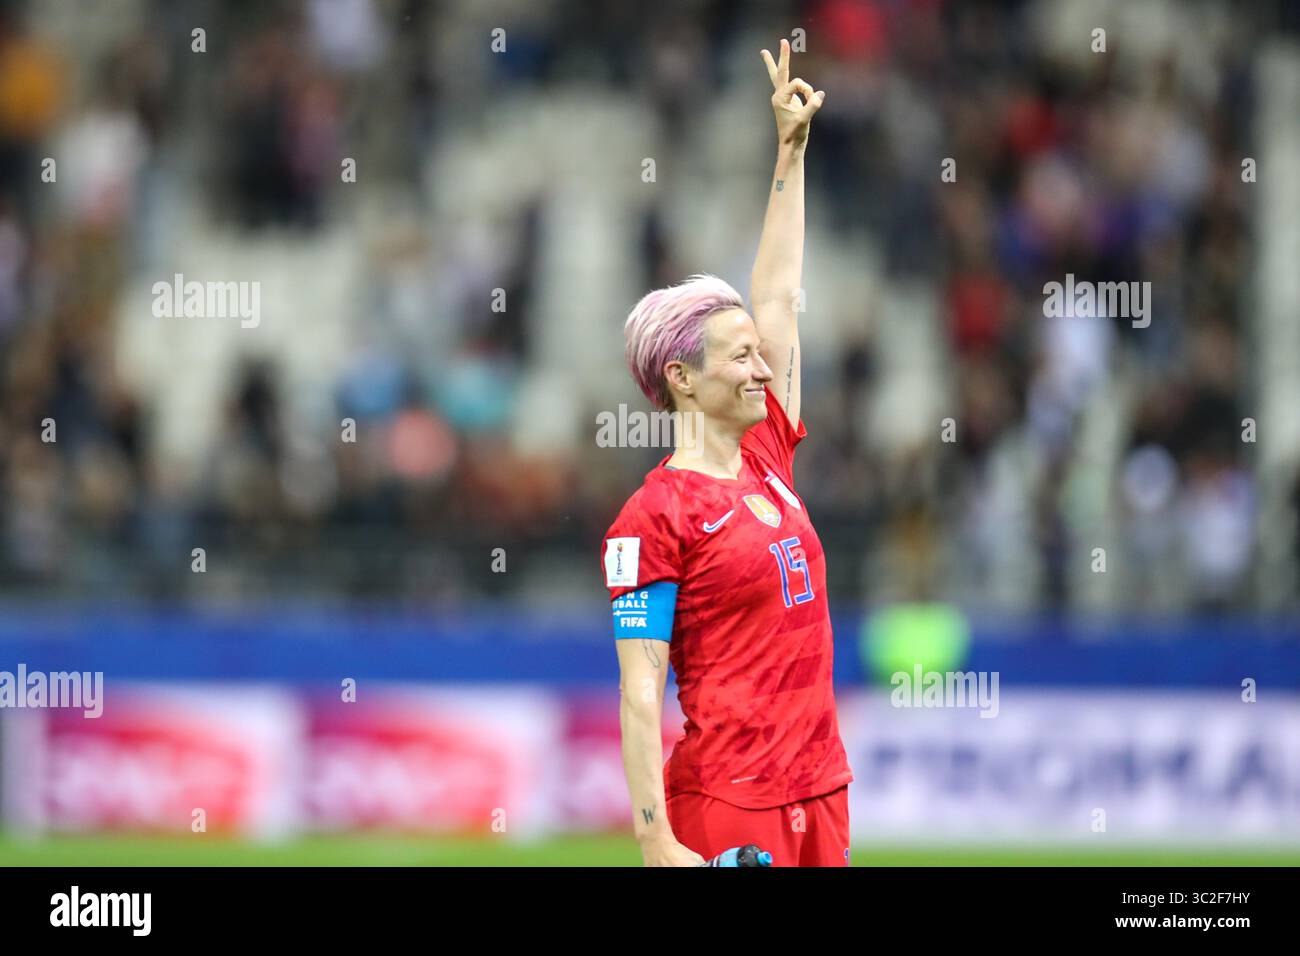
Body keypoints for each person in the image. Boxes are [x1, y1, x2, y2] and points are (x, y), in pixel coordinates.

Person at [602, 39, 852, 867]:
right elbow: (642, 691)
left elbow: (780, 290)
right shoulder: (652, 518)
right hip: (728, 806)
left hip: (821, 791)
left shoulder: (768, 455)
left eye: (759, 352)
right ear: (681, 377)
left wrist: (790, 154)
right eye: (739, 356)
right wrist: (653, 839)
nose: (762, 367)